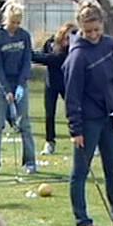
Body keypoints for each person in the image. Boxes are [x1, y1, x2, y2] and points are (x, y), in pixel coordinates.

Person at [62, 2, 113, 226]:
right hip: (88, 122)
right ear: (81, 28)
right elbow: (72, 96)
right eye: (88, 31)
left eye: (97, 29)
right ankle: (83, 221)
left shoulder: (111, 46)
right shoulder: (78, 56)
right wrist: (76, 130)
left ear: (102, 24)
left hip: (110, 118)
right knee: (80, 172)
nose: (93, 35)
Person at [0, 0, 36, 177]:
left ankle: (30, 161)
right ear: (6, 19)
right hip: (1, 85)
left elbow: (27, 61)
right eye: (13, 22)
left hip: (19, 83)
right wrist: (6, 91)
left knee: (24, 123)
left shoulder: (24, 36)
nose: (15, 26)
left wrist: (20, 85)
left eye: (18, 22)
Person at [32, 21, 75, 155]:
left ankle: (80, 138)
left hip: (66, 84)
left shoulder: (71, 50)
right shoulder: (51, 42)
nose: (69, 40)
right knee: (49, 113)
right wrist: (31, 54)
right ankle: (50, 142)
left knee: (73, 113)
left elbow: (51, 59)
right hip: (51, 83)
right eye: (67, 36)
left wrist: (29, 54)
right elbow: (43, 53)